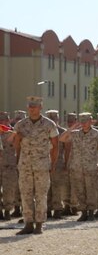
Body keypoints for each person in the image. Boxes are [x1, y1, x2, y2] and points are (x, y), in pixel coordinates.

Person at [13, 96, 60, 235]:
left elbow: (56, 146)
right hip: (25, 165)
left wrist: (53, 163)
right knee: (25, 194)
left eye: (35, 106)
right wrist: (18, 139)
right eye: (30, 106)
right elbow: (16, 145)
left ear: (40, 108)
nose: (32, 108)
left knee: (41, 194)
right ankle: (28, 223)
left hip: (42, 165)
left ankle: (39, 224)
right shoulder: (20, 124)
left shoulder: (49, 124)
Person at [62, 113, 98, 221]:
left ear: (91, 121)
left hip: (91, 167)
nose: (84, 123)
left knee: (91, 190)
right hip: (77, 167)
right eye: (82, 121)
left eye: (86, 121)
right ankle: (83, 212)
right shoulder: (75, 134)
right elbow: (62, 138)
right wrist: (72, 127)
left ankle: (91, 212)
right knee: (79, 190)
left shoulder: (97, 134)